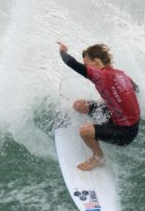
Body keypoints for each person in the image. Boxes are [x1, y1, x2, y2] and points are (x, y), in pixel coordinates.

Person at [57, 42, 140, 171]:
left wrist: (63, 51)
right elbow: (136, 89)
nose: (86, 67)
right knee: (79, 105)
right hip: (117, 117)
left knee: (84, 131)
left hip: (125, 133)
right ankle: (98, 131)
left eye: (87, 64)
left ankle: (98, 158)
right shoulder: (120, 74)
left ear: (96, 61)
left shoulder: (101, 76)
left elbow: (71, 63)